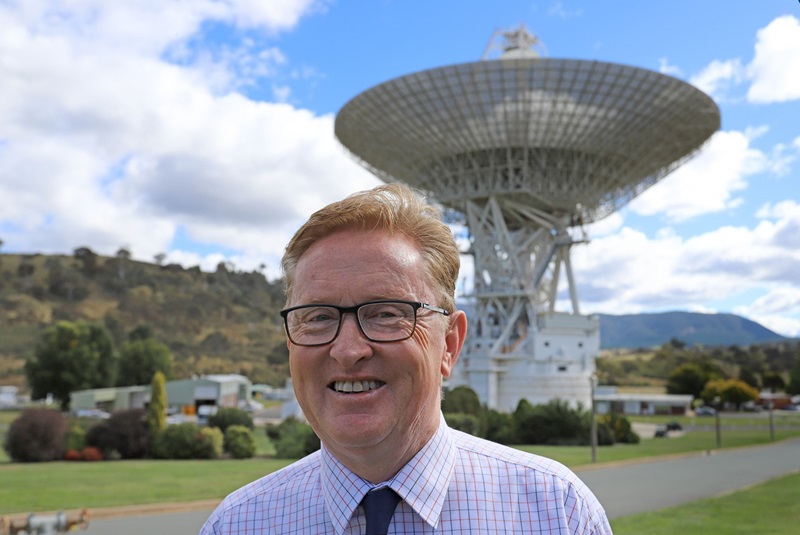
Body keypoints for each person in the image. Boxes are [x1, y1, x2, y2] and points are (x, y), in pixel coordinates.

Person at [200, 183, 612, 534]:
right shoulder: (238, 525)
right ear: (290, 343)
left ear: (449, 344)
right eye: (318, 317)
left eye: (386, 314)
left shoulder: (557, 515)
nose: (348, 350)